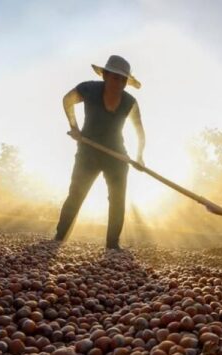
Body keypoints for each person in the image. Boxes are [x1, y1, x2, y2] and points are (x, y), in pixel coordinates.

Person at [54, 55, 146, 249]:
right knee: (76, 194)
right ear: (105, 75)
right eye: (115, 77)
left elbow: (139, 131)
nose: (119, 83)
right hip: (88, 152)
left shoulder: (130, 102)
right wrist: (74, 127)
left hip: (117, 156)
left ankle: (112, 245)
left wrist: (139, 157)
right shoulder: (88, 90)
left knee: (117, 199)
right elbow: (67, 100)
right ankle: (59, 237)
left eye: (123, 80)